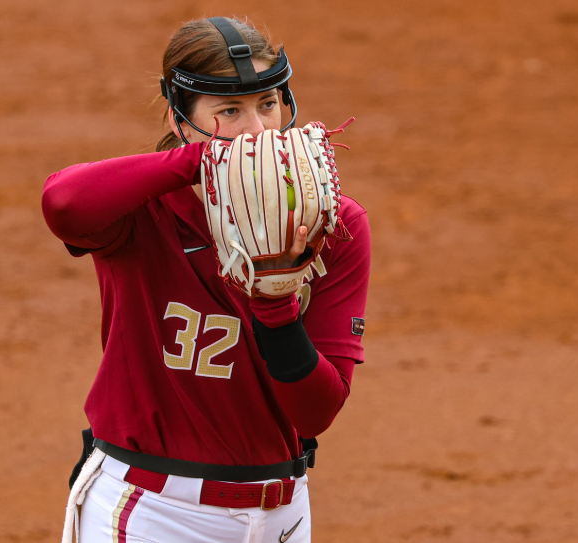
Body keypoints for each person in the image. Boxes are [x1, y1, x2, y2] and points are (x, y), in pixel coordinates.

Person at [43, 16, 370, 543]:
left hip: (283, 515)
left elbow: (317, 411)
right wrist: (199, 163)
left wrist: (276, 305)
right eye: (229, 112)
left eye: (267, 104)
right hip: (151, 512)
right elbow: (62, 202)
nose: (258, 131)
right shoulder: (144, 212)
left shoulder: (332, 224)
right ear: (181, 121)